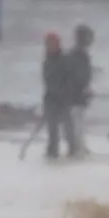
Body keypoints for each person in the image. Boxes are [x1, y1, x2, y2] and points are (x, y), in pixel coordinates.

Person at [63, 24, 96, 157]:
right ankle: (77, 148)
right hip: (75, 95)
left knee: (78, 122)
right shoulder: (77, 56)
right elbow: (77, 76)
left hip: (77, 94)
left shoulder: (78, 55)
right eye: (89, 37)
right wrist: (84, 88)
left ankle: (78, 147)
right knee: (77, 122)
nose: (91, 40)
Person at [40, 32, 72, 161]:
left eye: (52, 44)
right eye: (48, 44)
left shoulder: (64, 60)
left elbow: (69, 79)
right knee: (52, 129)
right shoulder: (47, 61)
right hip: (50, 99)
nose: (50, 46)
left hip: (64, 99)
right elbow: (46, 80)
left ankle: (73, 151)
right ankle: (52, 152)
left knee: (68, 128)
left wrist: (65, 94)